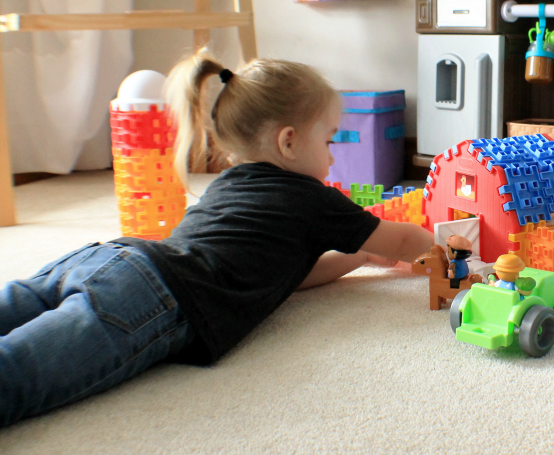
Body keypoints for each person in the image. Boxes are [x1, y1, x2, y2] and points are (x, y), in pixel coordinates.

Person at [0, 49, 433, 427]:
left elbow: (284, 276)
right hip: (155, 296)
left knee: (20, 303)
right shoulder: (310, 197)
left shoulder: (229, 184)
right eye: (329, 140)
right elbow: (402, 242)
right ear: (288, 142)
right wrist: (447, 245)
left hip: (109, 258)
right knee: (18, 376)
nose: (333, 155)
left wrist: (355, 257)